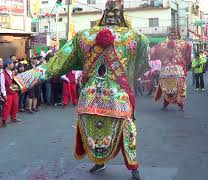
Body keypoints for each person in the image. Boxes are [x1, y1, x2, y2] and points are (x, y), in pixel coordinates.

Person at [11, 1, 149, 179]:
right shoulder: (137, 38)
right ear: (121, 12)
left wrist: (23, 80)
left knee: (97, 131)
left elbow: (55, 64)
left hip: (89, 98)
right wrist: (127, 78)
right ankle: (132, 167)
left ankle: (101, 162)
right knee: (126, 130)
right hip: (118, 98)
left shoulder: (83, 37)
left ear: (103, 12)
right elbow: (142, 66)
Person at [152, 28, 192, 111]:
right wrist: (184, 65)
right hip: (178, 71)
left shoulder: (161, 44)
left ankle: (166, 105)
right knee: (179, 89)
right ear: (178, 35)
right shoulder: (184, 44)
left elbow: (152, 53)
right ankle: (180, 104)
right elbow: (188, 57)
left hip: (165, 71)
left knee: (166, 89)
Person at [0, 59, 20, 127]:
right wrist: (4, 94)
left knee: (15, 105)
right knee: (7, 107)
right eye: (11, 64)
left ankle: (13, 117)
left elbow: (14, 82)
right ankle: (4, 120)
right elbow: (2, 85)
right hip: (8, 92)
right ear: (7, 65)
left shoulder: (12, 72)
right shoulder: (3, 74)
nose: (12, 65)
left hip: (14, 91)